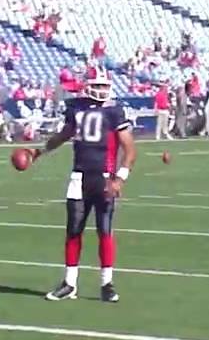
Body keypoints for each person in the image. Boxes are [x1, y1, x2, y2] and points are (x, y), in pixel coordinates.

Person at [28, 68, 136, 303]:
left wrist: (120, 177)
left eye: (105, 85)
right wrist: (40, 151)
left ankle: (107, 284)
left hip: (105, 177)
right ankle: (69, 283)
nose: (102, 90)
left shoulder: (115, 111)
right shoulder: (75, 107)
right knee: (73, 231)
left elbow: (129, 148)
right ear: (87, 85)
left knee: (104, 231)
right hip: (79, 176)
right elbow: (64, 134)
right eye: (97, 85)